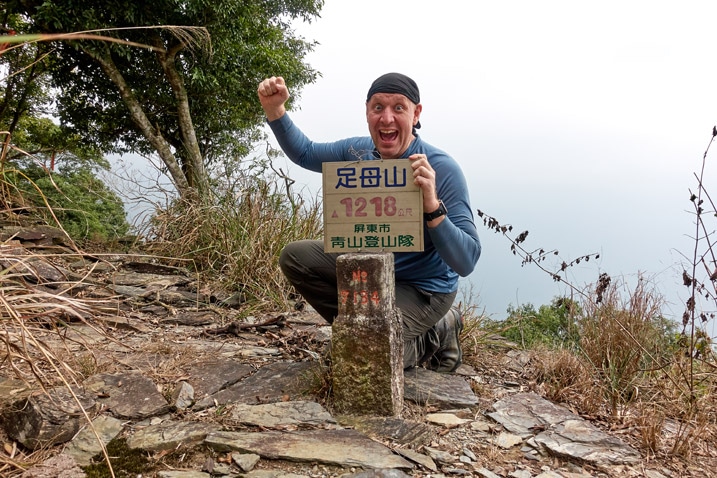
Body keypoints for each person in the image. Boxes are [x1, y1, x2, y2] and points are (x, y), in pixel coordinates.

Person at [257, 72, 481, 372]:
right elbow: (305, 152)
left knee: (366, 357)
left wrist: (432, 206)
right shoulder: (357, 153)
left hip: (423, 289)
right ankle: (361, 328)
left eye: (398, 108)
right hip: (370, 268)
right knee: (295, 258)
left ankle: (438, 331)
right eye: (378, 108)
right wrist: (275, 109)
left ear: (416, 114)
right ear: (367, 112)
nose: (387, 118)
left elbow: (466, 261)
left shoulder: (441, 167)